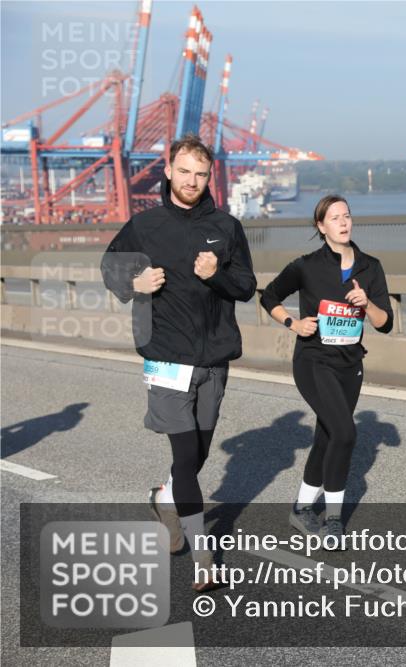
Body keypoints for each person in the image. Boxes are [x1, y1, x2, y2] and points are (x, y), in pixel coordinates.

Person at [101, 135, 256, 591]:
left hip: (214, 356)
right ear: (168, 170)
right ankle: (204, 559)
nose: (192, 181)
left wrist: (218, 275)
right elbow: (111, 267)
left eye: (201, 174)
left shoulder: (226, 226)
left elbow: (246, 287)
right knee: (186, 456)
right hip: (165, 355)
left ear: (210, 177)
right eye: (184, 171)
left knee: (201, 452)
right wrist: (136, 281)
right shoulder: (144, 225)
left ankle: (163, 498)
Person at [260, 195, 393, 543]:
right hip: (313, 361)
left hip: (350, 365)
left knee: (328, 436)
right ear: (321, 226)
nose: (343, 222)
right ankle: (334, 519)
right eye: (335, 218)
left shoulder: (370, 267)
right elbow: (268, 296)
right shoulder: (306, 266)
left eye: (347, 215)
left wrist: (368, 305)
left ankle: (301, 509)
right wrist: (293, 323)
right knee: (345, 433)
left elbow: (385, 323)